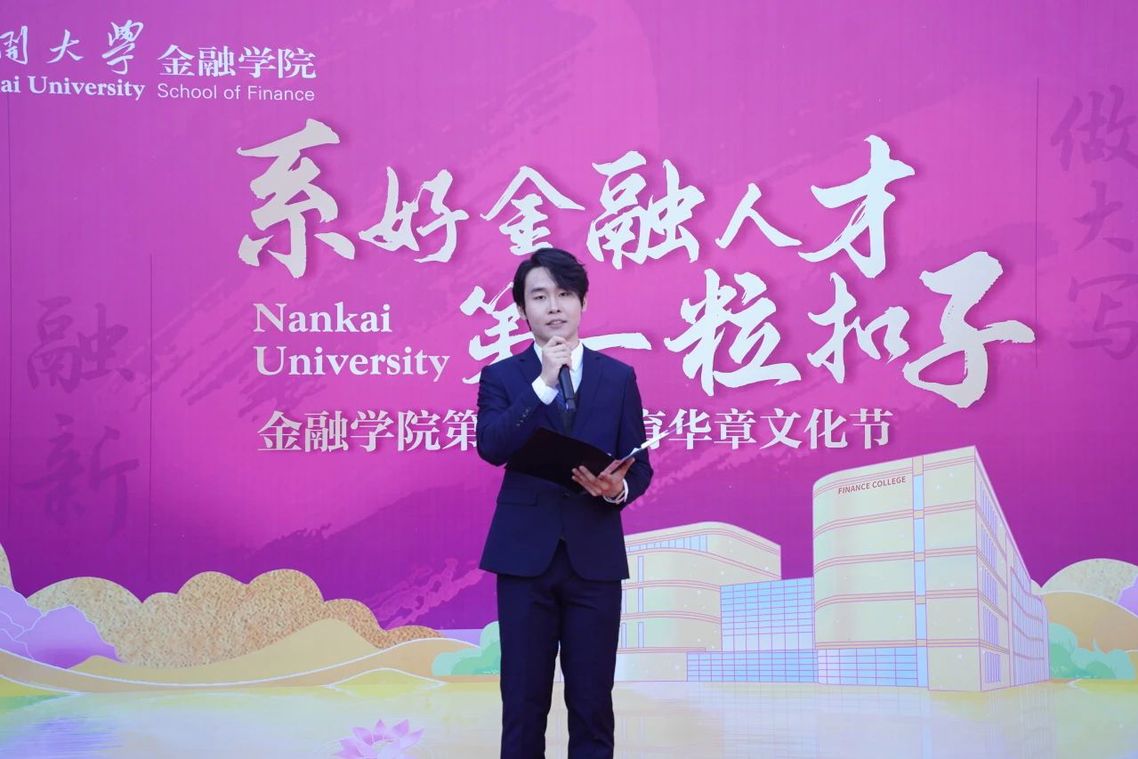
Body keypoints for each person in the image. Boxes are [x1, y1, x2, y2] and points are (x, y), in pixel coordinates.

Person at [476, 247, 653, 759]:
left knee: (592, 702)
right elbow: (492, 446)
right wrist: (543, 384)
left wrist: (616, 489)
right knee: (523, 702)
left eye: (564, 294)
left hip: (594, 557)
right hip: (524, 559)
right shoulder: (503, 378)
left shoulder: (618, 377)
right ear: (521, 309)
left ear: (582, 302)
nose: (554, 306)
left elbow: (639, 464)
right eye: (540, 296)